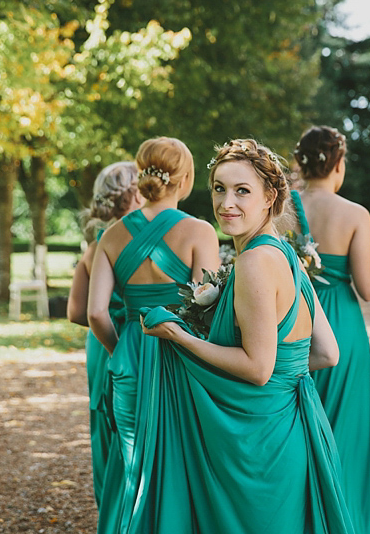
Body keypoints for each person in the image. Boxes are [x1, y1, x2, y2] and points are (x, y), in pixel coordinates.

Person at [133, 138, 356, 533]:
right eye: (219, 188)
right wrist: (285, 376)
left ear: (270, 196)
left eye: (242, 191)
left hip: (258, 449)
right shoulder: (286, 253)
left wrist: (180, 338)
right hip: (292, 431)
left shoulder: (254, 262)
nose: (226, 203)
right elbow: (327, 353)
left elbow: (257, 369)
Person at [87, 138, 220, 533]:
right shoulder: (199, 231)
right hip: (181, 355)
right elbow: (204, 315)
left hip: (129, 356)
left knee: (132, 463)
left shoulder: (110, 236)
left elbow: (95, 312)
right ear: (186, 180)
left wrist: (123, 348)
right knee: (180, 461)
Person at [288, 125, 370, 534]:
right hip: (341, 327)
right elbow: (367, 287)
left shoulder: (281, 209)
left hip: (293, 323)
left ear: (303, 162)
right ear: (338, 165)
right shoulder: (354, 214)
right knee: (347, 437)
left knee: (297, 431)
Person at [66, 161, 142, 506]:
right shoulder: (134, 242)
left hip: (100, 343)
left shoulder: (94, 245)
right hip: (127, 339)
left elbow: (75, 311)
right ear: (134, 194)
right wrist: (122, 336)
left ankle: (110, 509)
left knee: (106, 423)